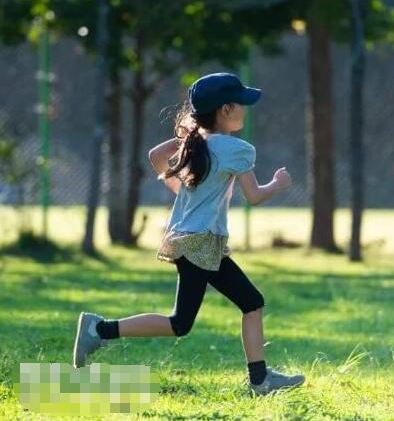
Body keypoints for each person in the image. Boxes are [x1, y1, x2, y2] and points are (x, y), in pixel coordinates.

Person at [72, 72, 305, 396]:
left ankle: (260, 380)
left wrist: (176, 186)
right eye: (241, 104)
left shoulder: (195, 142)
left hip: (191, 239)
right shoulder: (237, 149)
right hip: (201, 242)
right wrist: (278, 185)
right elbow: (254, 195)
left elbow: (155, 156)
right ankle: (99, 330)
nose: (245, 110)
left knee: (251, 302)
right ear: (225, 109)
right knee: (181, 322)